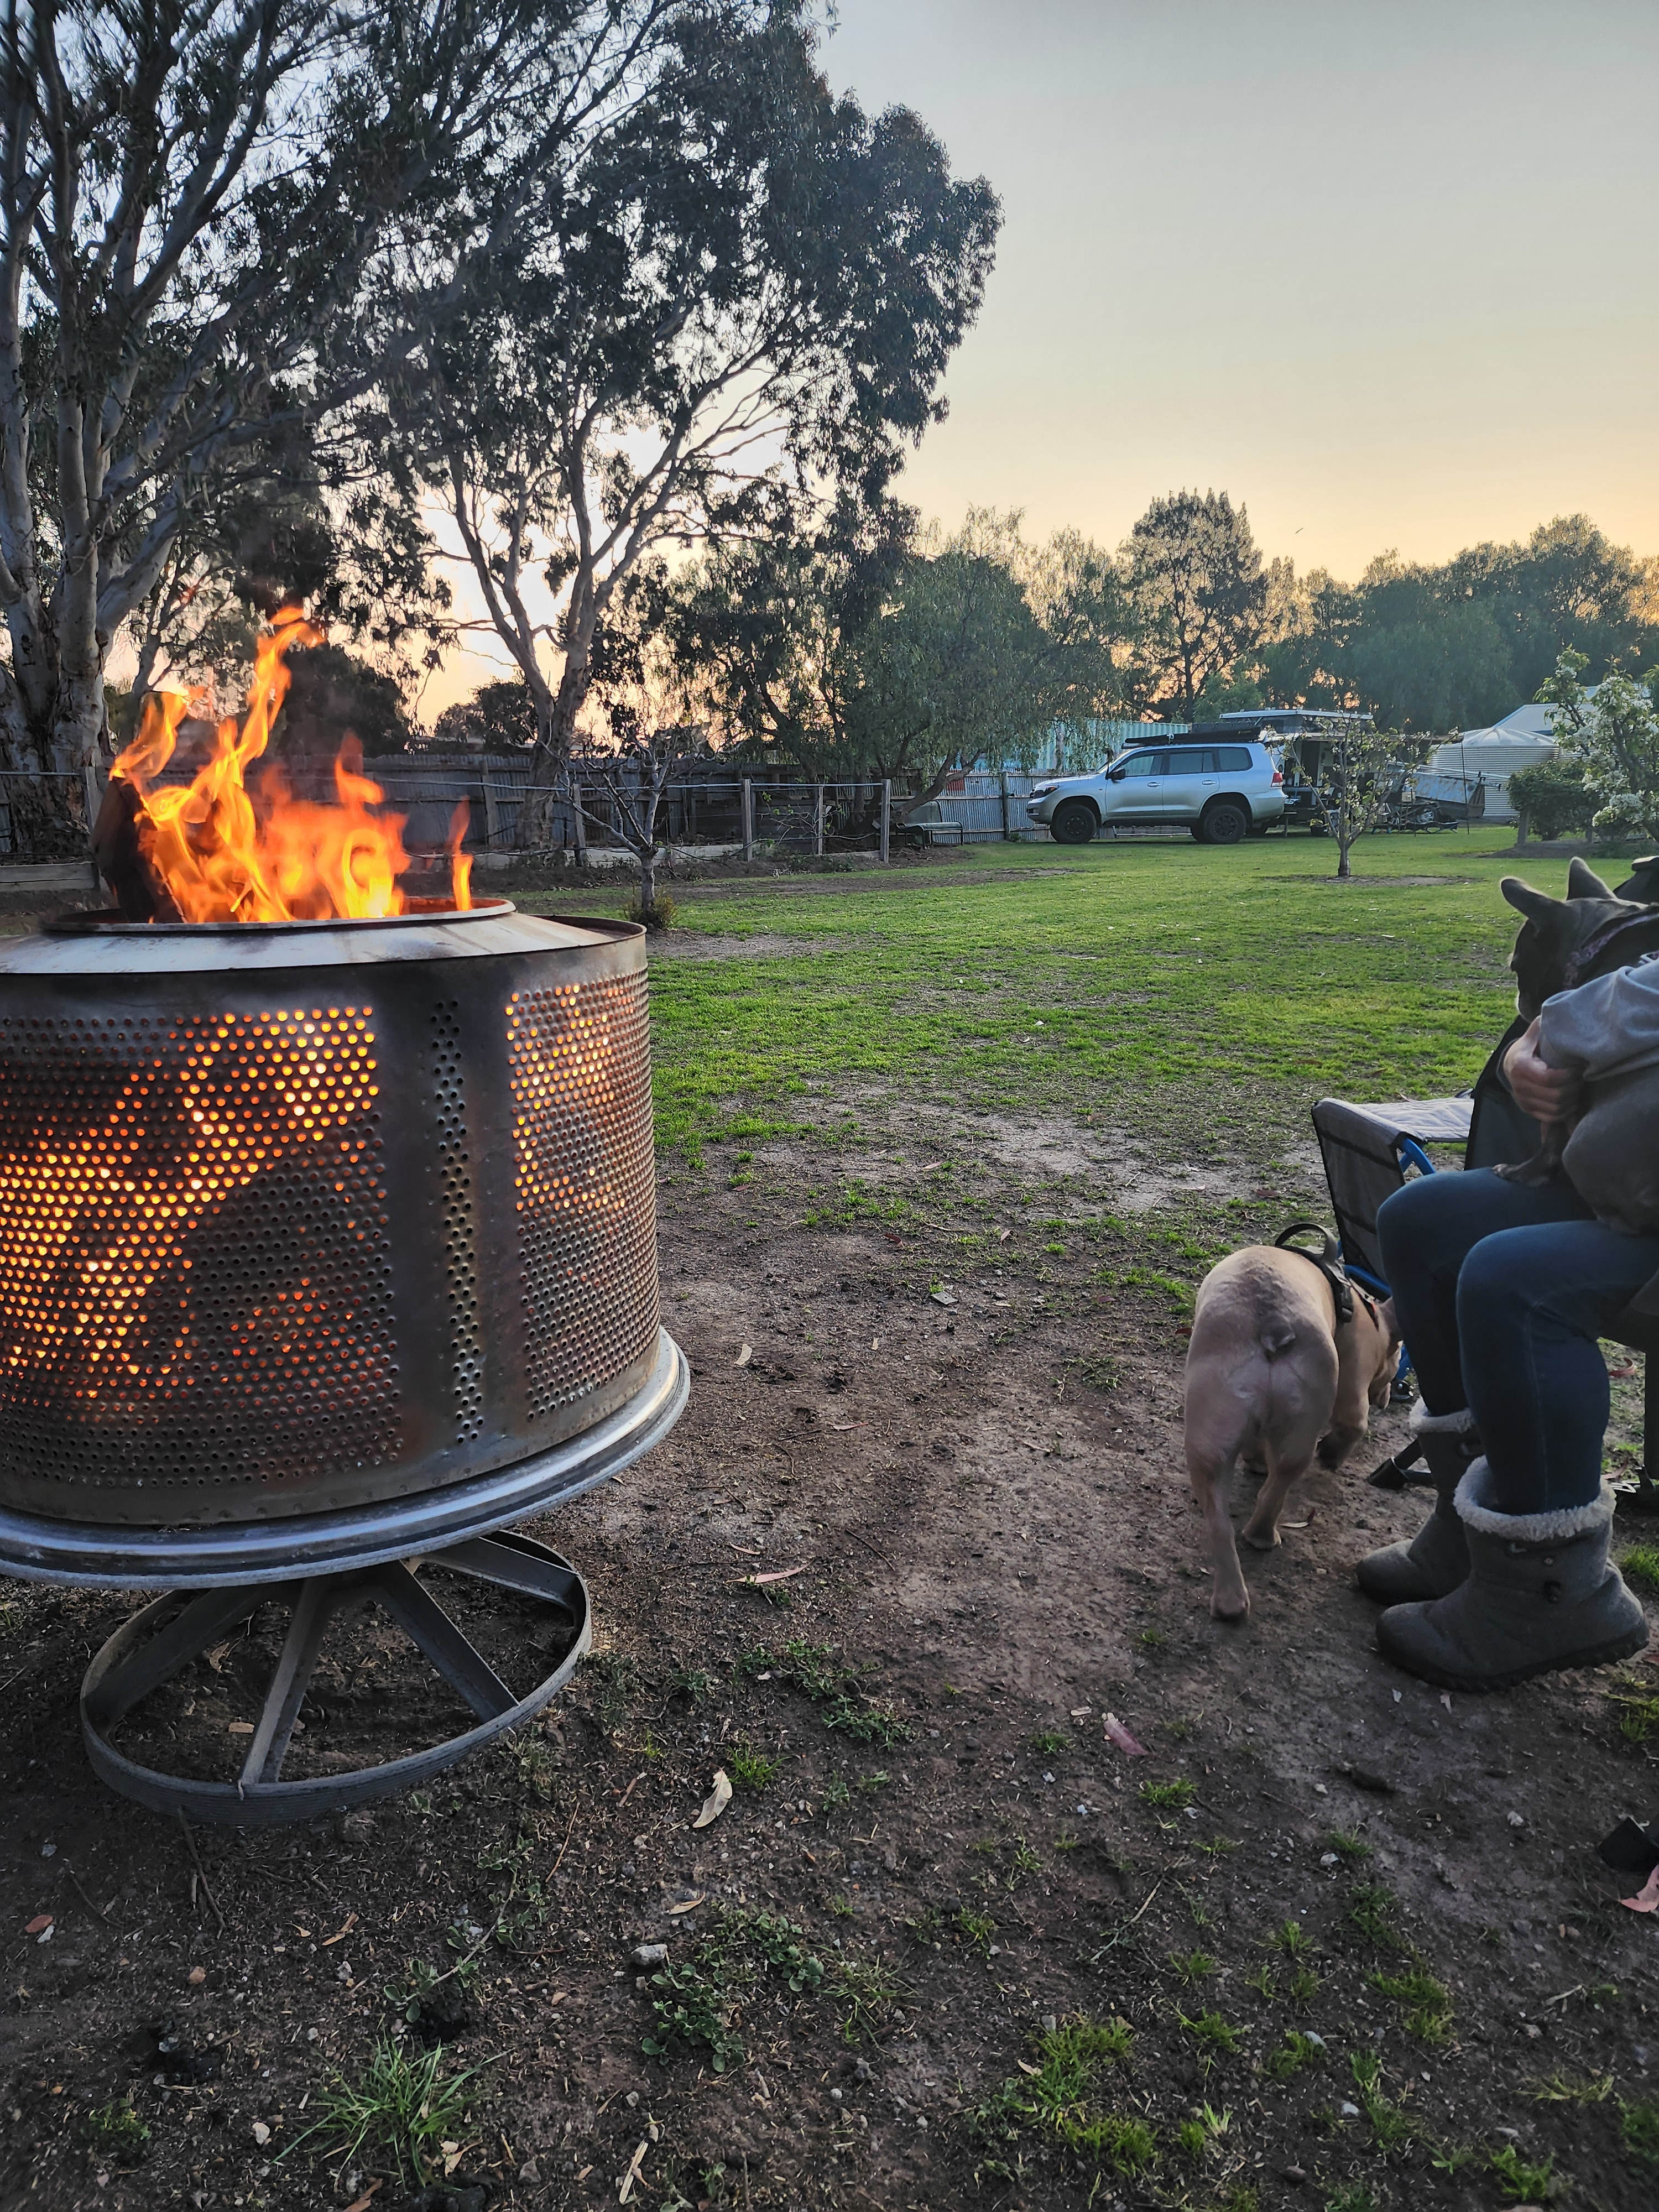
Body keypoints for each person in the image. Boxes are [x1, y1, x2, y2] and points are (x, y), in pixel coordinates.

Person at [1356, 966, 1659, 1690]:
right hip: (1623, 1189)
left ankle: (1551, 1591)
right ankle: (1476, 1535)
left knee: (1513, 1280)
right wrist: (1530, 1052)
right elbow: (1591, 1003)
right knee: (1422, 1221)